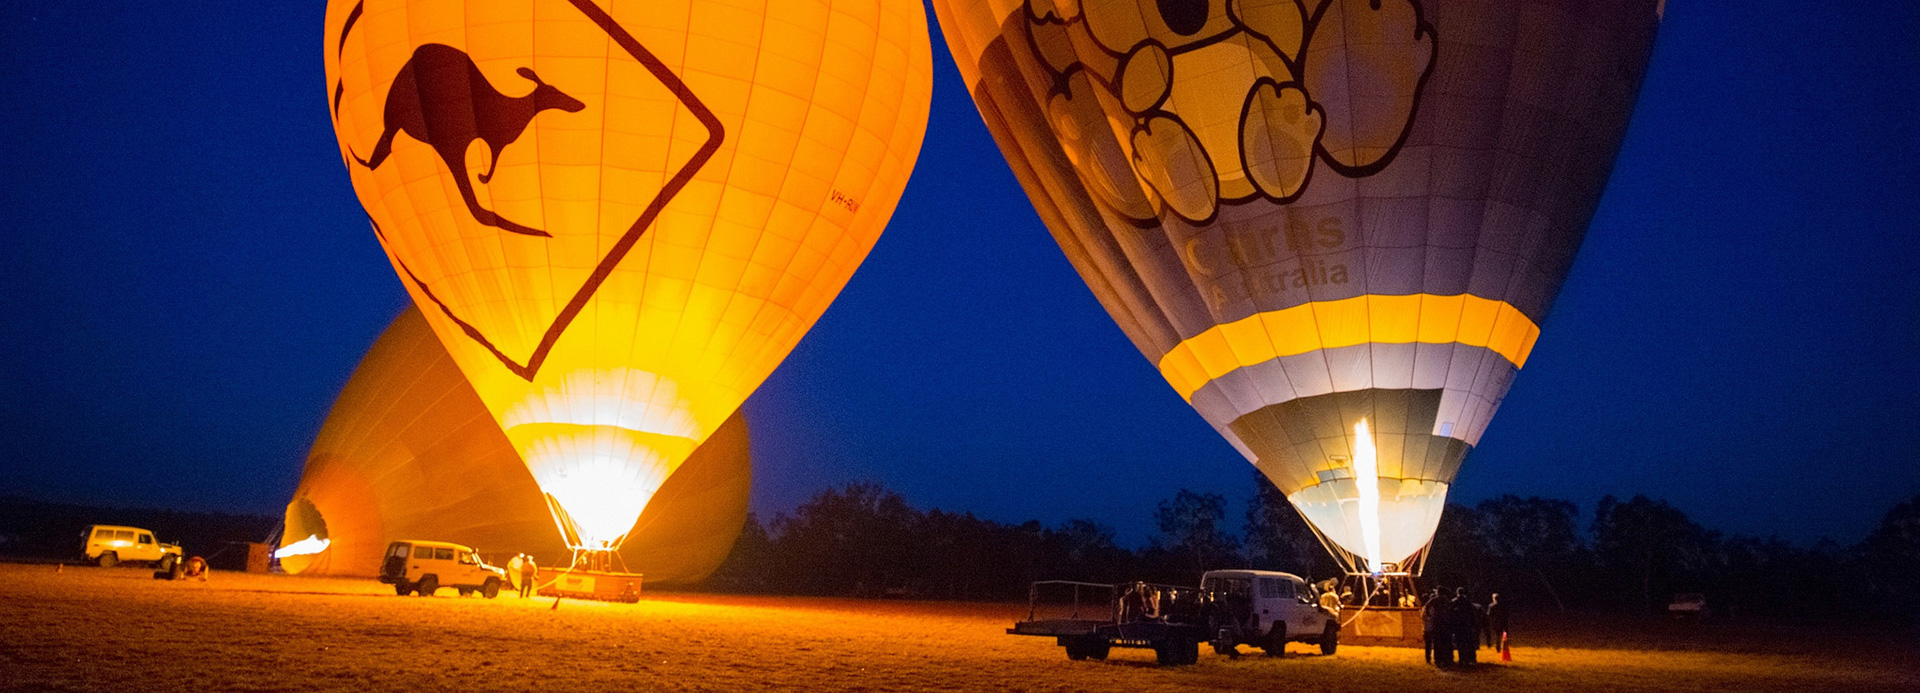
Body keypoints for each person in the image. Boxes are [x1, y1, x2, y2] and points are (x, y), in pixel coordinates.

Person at [1451, 587, 1479, 666]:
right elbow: (1473, 612)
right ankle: (1471, 659)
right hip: (1467, 625)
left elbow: (1451, 612)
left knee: (1460, 643)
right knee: (1469, 643)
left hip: (1458, 625)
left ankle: (1462, 659)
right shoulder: (1468, 602)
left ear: (1457, 593)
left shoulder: (1455, 602)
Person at [1423, 587, 1450, 666]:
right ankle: (1443, 659)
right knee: (1443, 642)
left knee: (1437, 642)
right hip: (1444, 622)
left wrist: (1428, 615)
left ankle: (1437, 659)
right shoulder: (1445, 599)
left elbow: (1427, 605)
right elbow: (1450, 606)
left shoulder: (1435, 599)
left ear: (1438, 592)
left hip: (1436, 622)